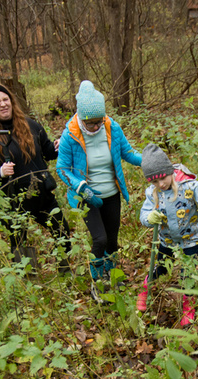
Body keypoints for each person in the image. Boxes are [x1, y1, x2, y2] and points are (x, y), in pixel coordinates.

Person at [56, 80, 142, 301]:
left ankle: (112, 275)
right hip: (86, 196)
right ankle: (97, 283)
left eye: (99, 122)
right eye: (91, 123)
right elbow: (62, 169)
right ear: (81, 118)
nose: (96, 127)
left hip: (111, 193)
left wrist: (149, 160)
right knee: (100, 239)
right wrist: (81, 187)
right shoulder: (70, 135)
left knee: (112, 240)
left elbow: (128, 153)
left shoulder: (111, 127)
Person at [0, 83, 71, 272]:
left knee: (61, 230)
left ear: (11, 101)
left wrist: (59, 146)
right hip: (12, 200)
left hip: (41, 193)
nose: (3, 104)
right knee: (18, 240)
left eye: (5, 99)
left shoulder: (30, 125)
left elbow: (48, 152)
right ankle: (28, 278)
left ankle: (64, 271)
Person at [137, 143, 198, 325]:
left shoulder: (189, 186)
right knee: (159, 267)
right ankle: (147, 287)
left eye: (163, 178)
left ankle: (188, 305)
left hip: (191, 240)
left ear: (169, 171)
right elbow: (144, 214)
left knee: (188, 274)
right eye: (154, 181)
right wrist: (149, 217)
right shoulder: (152, 192)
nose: (161, 184)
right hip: (167, 240)